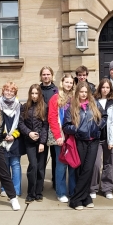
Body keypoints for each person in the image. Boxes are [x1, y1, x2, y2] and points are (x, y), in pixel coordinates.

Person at [63, 81, 107, 210]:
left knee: (89, 168)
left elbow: (104, 116)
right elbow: (66, 126)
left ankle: (79, 197)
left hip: (93, 140)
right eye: (81, 92)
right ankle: (82, 198)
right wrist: (77, 129)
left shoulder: (95, 103)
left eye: (85, 92)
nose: (83, 94)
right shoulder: (72, 106)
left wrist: (98, 127)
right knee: (80, 169)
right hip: (79, 141)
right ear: (77, 92)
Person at [48, 73, 76, 203]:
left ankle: (73, 191)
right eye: (67, 82)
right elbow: (52, 118)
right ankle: (61, 192)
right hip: (60, 135)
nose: (69, 85)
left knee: (73, 164)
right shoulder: (55, 98)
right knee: (61, 165)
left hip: (73, 136)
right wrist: (58, 136)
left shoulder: (75, 98)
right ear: (62, 83)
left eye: (71, 83)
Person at [18, 84, 49, 204]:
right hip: (29, 142)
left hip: (41, 143)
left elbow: (46, 126)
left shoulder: (44, 107)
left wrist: (42, 142)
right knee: (33, 166)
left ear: (40, 94)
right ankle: (31, 193)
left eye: (36, 93)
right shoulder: (25, 107)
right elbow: (21, 123)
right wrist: (29, 133)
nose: (34, 96)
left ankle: (38, 192)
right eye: (32, 93)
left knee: (41, 168)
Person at [90, 78, 113, 200]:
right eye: (103, 87)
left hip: (109, 138)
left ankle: (107, 188)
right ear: (99, 88)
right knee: (95, 164)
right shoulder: (93, 101)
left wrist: (112, 140)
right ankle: (93, 188)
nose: (105, 90)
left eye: (107, 87)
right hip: (96, 138)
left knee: (109, 163)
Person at [0, 82, 24, 197]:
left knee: (15, 164)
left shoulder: (19, 106)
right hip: (1, 140)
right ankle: (5, 188)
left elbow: (21, 123)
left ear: (15, 93)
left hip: (15, 140)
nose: (9, 93)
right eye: (7, 90)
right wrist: (4, 135)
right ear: (3, 91)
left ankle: (16, 190)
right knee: (5, 166)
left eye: (12, 91)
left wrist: (13, 135)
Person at [39, 66, 58, 190]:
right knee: (41, 159)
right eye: (44, 74)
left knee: (56, 158)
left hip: (54, 127)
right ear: (41, 76)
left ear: (52, 75)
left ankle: (56, 182)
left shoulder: (57, 90)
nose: (46, 76)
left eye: (48, 74)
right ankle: (39, 185)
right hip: (41, 127)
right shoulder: (37, 89)